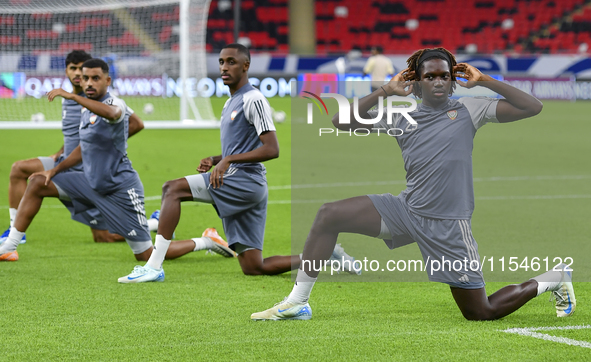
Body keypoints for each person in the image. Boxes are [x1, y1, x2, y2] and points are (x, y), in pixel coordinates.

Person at [251, 47, 576, 321]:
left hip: (448, 225)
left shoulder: (471, 109)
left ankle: (553, 278)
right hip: (406, 211)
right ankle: (298, 301)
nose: (437, 81)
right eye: (429, 76)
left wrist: (487, 81)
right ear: (416, 82)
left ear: (453, 82)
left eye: (444, 76)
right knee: (329, 214)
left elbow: (533, 106)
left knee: (481, 312)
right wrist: (384, 92)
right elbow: (341, 121)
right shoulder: (401, 114)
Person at [117, 43, 358, 283]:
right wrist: (216, 159)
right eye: (221, 62)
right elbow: (244, 147)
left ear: (246, 66)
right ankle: (323, 256)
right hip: (239, 179)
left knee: (172, 189)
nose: (224, 67)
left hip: (245, 180)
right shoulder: (230, 102)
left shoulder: (253, 99)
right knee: (254, 266)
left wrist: (229, 160)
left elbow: (272, 148)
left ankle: (153, 266)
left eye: (231, 62)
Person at [0, 59, 204, 264]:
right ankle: (10, 247)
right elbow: (83, 149)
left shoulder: (115, 104)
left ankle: (206, 241)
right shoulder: (87, 110)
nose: (89, 83)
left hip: (120, 189)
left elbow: (113, 113)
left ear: (107, 81)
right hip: (91, 184)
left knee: (146, 255)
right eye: (86, 78)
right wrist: (54, 171)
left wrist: (72, 96)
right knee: (38, 182)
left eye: (95, 78)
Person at [0, 50, 145, 245]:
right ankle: (14, 233)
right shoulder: (68, 98)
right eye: (74, 69)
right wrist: (61, 151)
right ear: (66, 71)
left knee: (103, 237)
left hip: (86, 169)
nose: (78, 74)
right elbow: (77, 134)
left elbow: (135, 123)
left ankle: (151, 223)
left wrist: (102, 146)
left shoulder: (97, 99)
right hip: (66, 160)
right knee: (20, 169)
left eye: (82, 70)